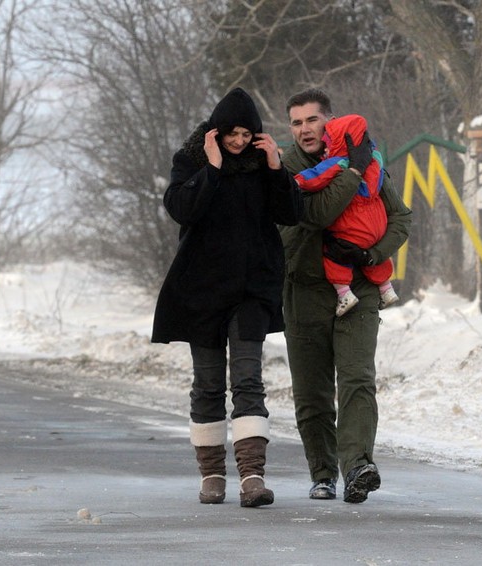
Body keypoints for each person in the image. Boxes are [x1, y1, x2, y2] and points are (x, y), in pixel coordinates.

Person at [152, 87, 303, 508]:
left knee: (248, 380)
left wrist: (276, 168)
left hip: (251, 290)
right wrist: (213, 168)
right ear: (216, 132)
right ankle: (212, 475)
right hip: (202, 291)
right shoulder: (191, 159)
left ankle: (253, 476)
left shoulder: (263, 165)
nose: (238, 141)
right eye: (232, 134)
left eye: (246, 134)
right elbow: (181, 209)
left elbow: (291, 213)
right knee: (207, 385)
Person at [280, 88, 412, 503]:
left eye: (312, 120)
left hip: (359, 285)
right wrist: (351, 171)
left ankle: (358, 466)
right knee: (312, 391)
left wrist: (372, 254)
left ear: (330, 121)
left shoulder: (366, 158)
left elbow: (400, 217)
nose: (305, 129)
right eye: (296, 122)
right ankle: (322, 473)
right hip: (305, 289)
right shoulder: (286, 169)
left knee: (357, 378)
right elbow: (318, 213)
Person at [293, 113, 399, 317]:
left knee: (335, 254)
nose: (326, 148)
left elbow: (317, 176)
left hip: (354, 222)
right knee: (372, 253)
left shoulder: (340, 162)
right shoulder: (374, 158)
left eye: (329, 143)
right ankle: (386, 288)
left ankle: (344, 293)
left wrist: (297, 181)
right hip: (377, 222)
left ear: (341, 143)